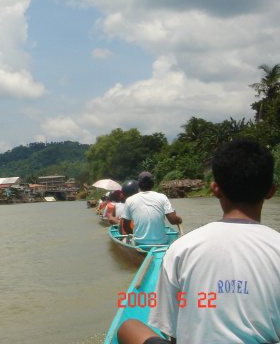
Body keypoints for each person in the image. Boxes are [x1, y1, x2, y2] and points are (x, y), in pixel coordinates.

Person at [117, 139, 280, 344]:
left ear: (215, 188)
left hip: (146, 244)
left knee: (129, 327)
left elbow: (174, 333)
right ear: (271, 191)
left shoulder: (181, 249)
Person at [122, 172, 182, 244]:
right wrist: (178, 219)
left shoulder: (129, 200)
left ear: (138, 184)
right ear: (153, 184)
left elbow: (126, 226)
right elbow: (173, 220)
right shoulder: (162, 197)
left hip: (139, 242)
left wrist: (132, 234)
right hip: (161, 243)